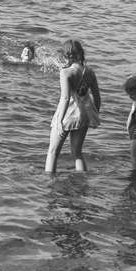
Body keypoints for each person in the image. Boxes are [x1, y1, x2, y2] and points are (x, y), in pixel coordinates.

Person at [45, 39, 101, 173]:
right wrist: (94, 115)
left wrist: (59, 121)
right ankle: (82, 181)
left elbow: (65, 98)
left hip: (68, 114)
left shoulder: (66, 73)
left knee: (53, 152)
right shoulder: (90, 72)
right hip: (83, 115)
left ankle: (49, 183)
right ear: (81, 53)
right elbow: (97, 98)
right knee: (77, 153)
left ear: (66, 56)